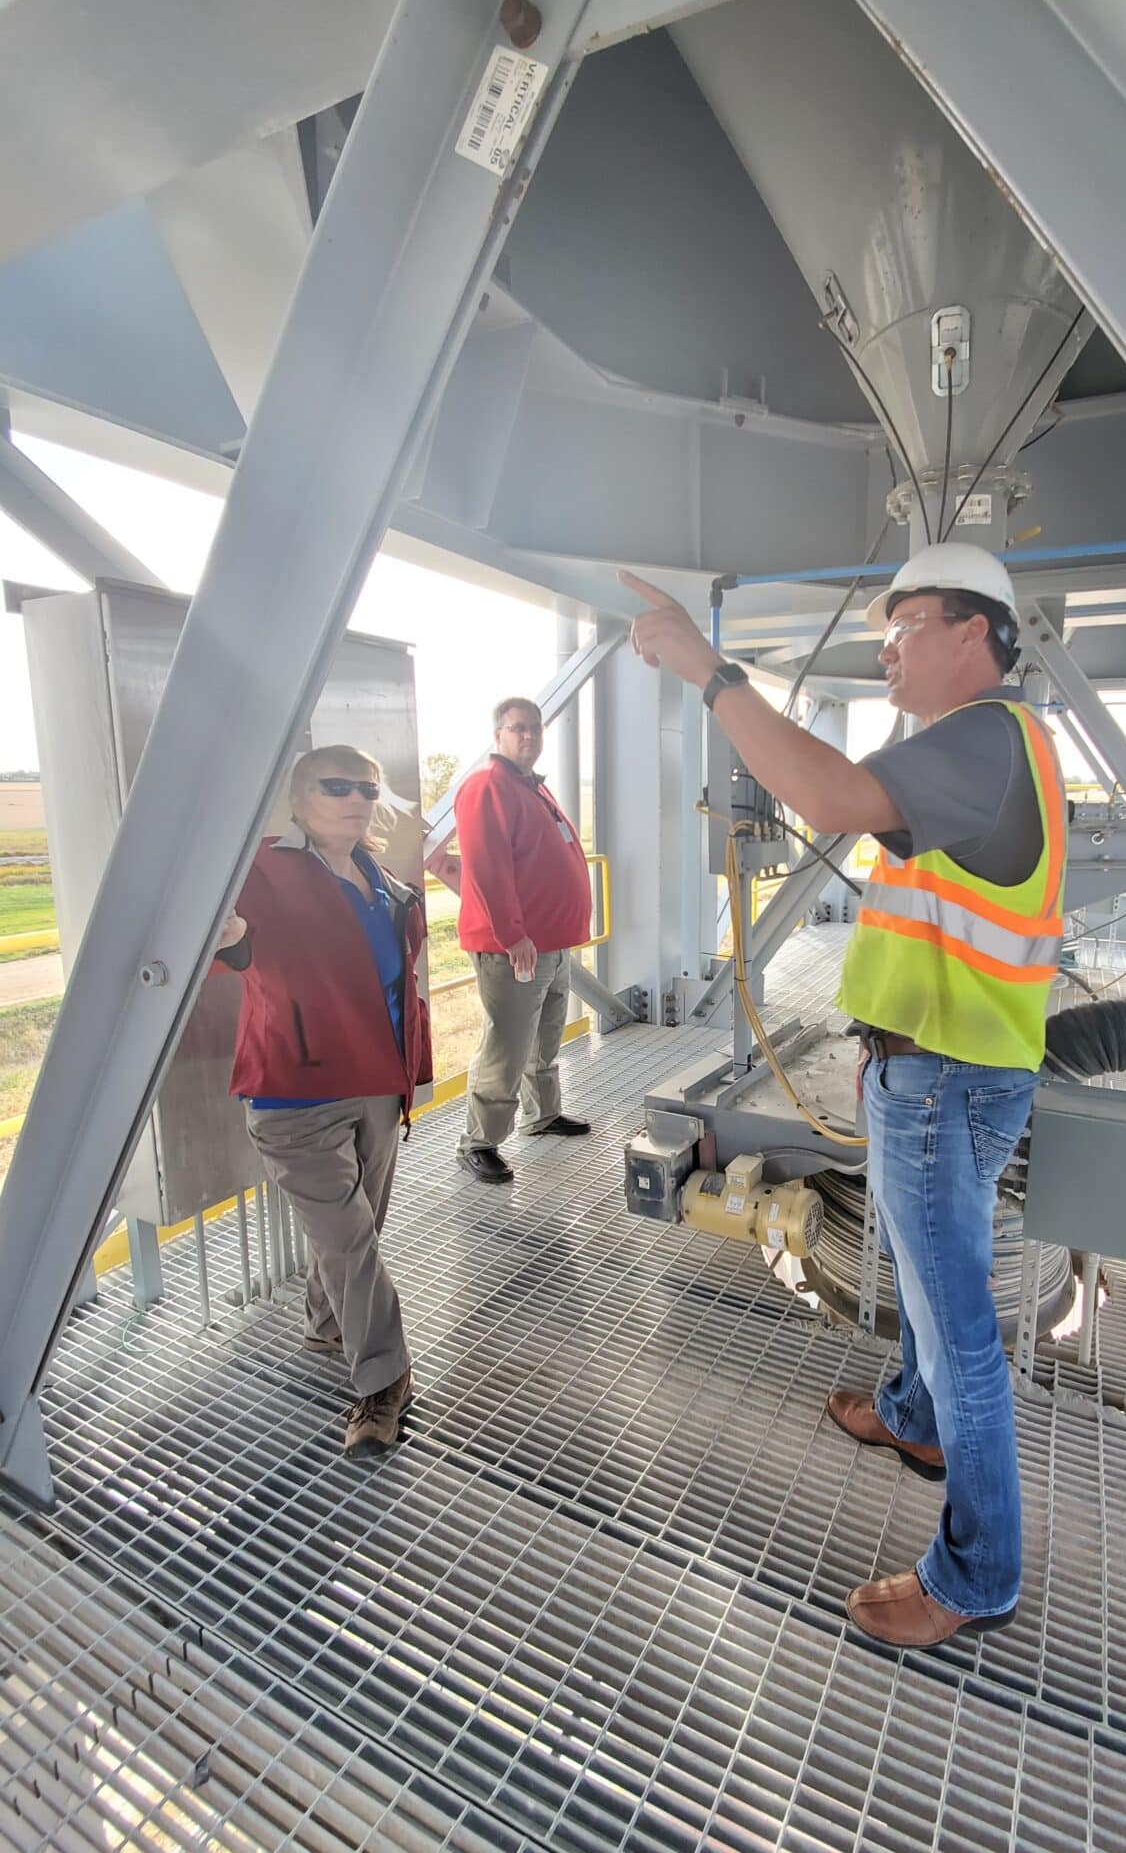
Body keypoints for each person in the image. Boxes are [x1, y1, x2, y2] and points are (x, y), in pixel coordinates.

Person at [621, 540, 1066, 1649]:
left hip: (946, 1076)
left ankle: (977, 1578)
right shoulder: (978, 748)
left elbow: (821, 793)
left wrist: (709, 672)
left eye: (904, 625)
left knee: (958, 1321)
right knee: (924, 1286)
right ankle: (914, 1422)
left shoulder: (984, 737)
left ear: (976, 633)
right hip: (929, 1062)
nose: (886, 649)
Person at [213, 744, 432, 1457]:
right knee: (348, 1238)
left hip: (373, 1082)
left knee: (357, 1227)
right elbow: (233, 942)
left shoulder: (382, 883)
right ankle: (382, 1379)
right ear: (300, 799)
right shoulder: (264, 875)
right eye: (335, 786)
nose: (355, 799)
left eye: (367, 788)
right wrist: (233, 940)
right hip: (293, 1092)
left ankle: (324, 1321)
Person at [452, 696, 594, 1185]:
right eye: (518, 729)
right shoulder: (488, 786)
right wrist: (512, 935)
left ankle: (543, 1115)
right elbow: (488, 867)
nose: (528, 736)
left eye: (535, 728)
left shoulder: (529, 786)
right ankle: (479, 1142)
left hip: (551, 943)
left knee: (545, 1037)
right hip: (514, 947)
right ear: (498, 735)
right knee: (507, 1044)